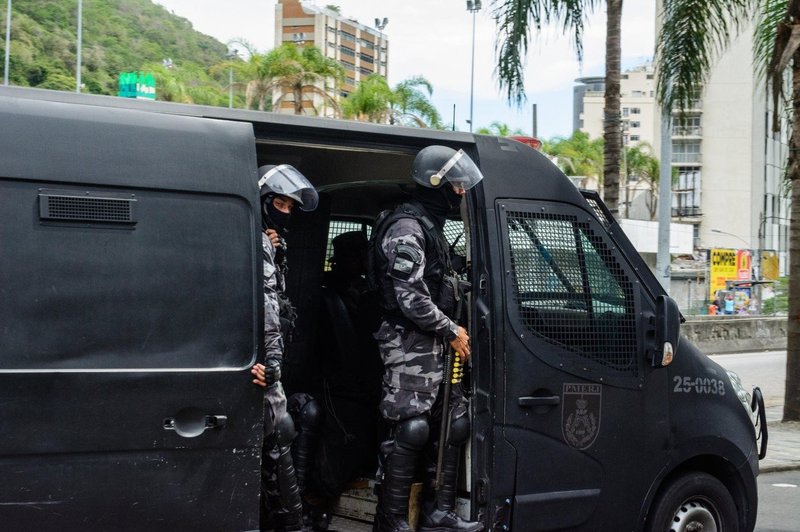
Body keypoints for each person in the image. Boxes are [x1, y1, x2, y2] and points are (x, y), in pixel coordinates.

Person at [370, 146, 484, 532]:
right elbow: (409, 297)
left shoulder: (429, 227)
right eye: (454, 185)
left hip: (434, 342)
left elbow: (440, 281)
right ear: (434, 184)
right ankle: (392, 521)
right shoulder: (408, 228)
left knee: (453, 422)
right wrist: (451, 330)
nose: (460, 192)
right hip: (409, 343)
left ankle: (440, 513)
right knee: (410, 428)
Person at [250, 164, 319, 532]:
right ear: (262, 201)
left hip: (254, 361)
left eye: (292, 207)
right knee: (281, 431)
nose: (286, 212)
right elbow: (268, 309)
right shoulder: (256, 240)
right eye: (280, 203)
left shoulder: (263, 240)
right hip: (261, 365)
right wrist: (274, 362)